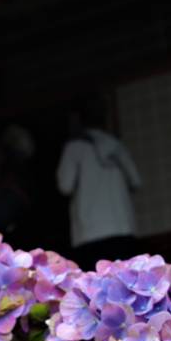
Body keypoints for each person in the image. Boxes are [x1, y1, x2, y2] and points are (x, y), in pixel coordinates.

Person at [56, 107, 142, 268]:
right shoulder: (116, 145)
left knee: (96, 287)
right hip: (122, 227)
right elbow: (136, 181)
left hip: (89, 233)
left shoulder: (74, 148)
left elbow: (64, 186)